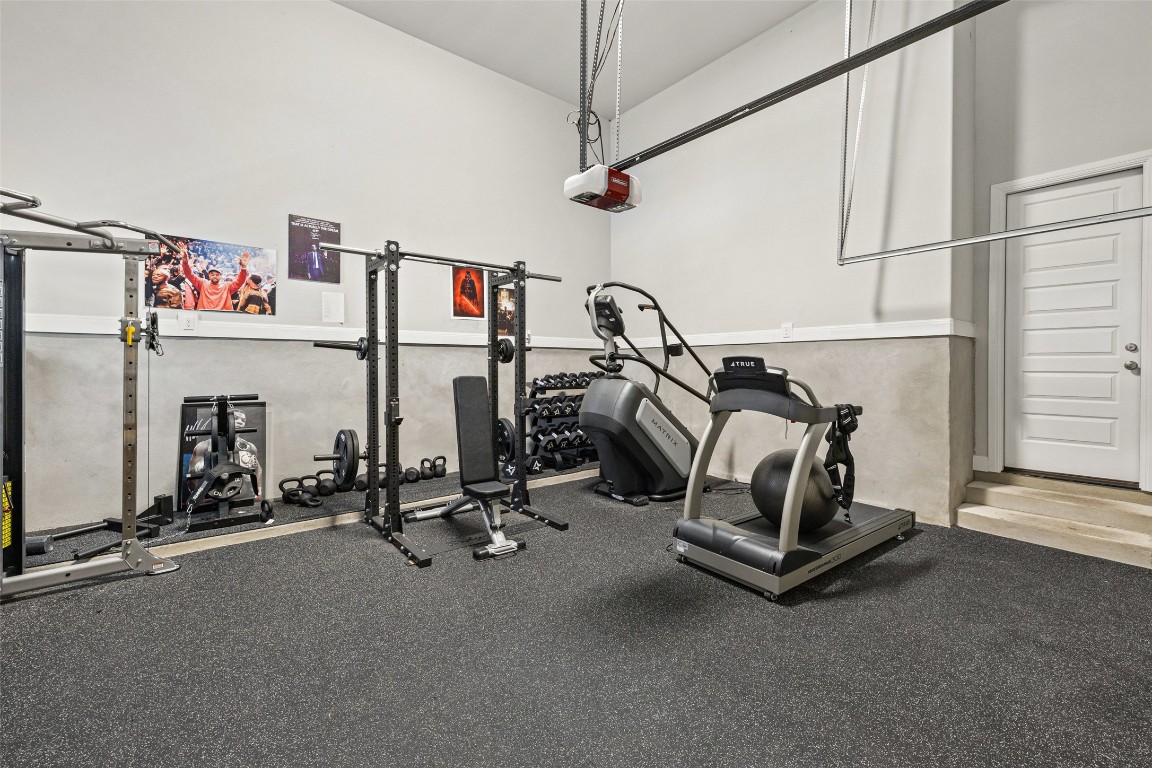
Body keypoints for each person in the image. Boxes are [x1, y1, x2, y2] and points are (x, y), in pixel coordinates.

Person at [181, 245, 248, 311]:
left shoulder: (227, 286)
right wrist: (185, 262)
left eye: (217, 274)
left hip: (222, 316)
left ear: (220, 276)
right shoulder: (203, 283)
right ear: (209, 276)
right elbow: (189, 275)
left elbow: (239, 282)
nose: (215, 276)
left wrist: (244, 268)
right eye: (212, 274)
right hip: (204, 315)